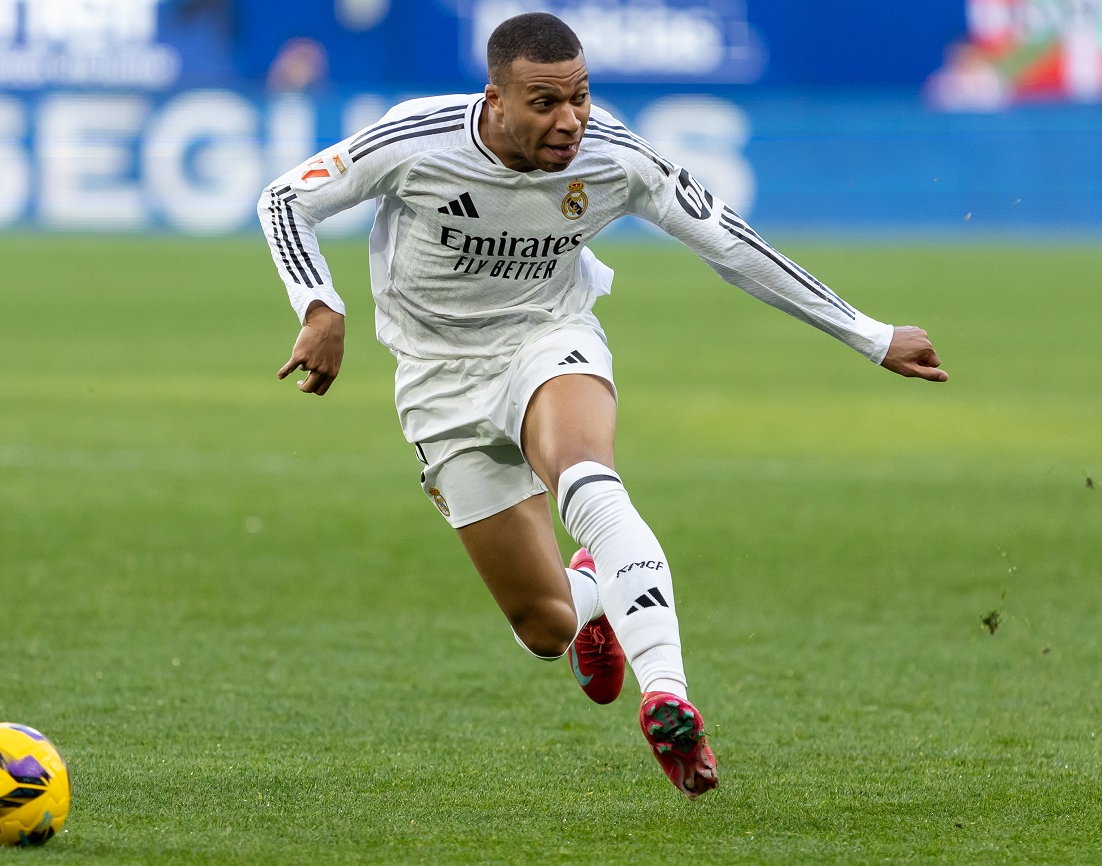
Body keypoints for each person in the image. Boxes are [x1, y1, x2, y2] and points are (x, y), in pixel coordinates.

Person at [256, 12, 947, 799]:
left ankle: (668, 697)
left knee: (586, 476)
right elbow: (284, 200)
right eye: (545, 102)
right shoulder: (418, 139)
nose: (570, 120)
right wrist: (320, 306)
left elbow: (731, 245)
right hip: (437, 380)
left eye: (580, 97)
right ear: (495, 100)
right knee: (544, 628)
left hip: (548, 338)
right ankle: (594, 598)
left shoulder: (617, 156)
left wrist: (869, 335)